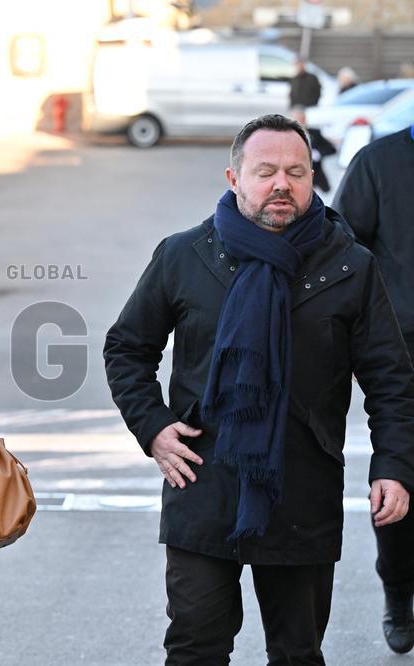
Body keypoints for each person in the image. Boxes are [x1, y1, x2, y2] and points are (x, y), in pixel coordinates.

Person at [104, 113, 414, 664]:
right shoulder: (184, 254)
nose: (281, 184)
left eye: (296, 172)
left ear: (312, 177)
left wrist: (393, 465)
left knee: (297, 652)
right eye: (265, 170)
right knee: (195, 646)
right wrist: (152, 427)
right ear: (234, 178)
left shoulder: (350, 265)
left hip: (302, 486)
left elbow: (391, 380)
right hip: (202, 481)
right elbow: (127, 347)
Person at [333, 124, 414, 654]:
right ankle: (399, 587)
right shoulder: (379, 162)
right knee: (403, 475)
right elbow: (341, 247)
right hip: (401, 353)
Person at [289, 106, 336, 193]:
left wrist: (318, 153)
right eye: (296, 120)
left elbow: (331, 149)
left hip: (316, 177)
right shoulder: (285, 136)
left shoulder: (315, 133)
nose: (299, 123)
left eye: (301, 119)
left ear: (305, 119)